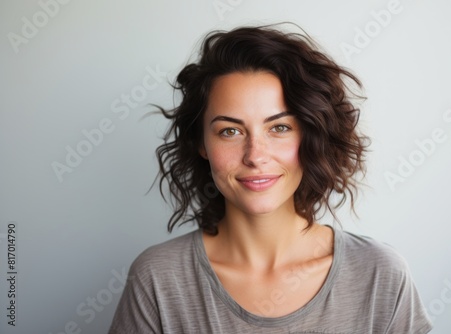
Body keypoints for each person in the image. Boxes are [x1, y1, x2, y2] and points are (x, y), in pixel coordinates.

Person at [109, 24, 433, 333]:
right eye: (230, 131)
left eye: (279, 128)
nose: (255, 155)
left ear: (310, 136)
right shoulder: (157, 280)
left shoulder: (379, 276)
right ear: (202, 144)